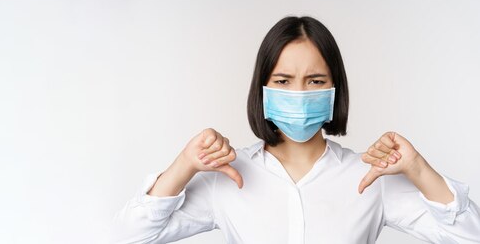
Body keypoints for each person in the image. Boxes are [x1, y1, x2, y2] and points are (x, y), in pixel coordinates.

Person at [110, 16, 480, 243]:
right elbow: (127, 237)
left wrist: (418, 169)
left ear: (335, 89)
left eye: (315, 80)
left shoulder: (369, 179)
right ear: (263, 89)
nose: (300, 93)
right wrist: (184, 165)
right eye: (284, 81)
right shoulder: (228, 178)